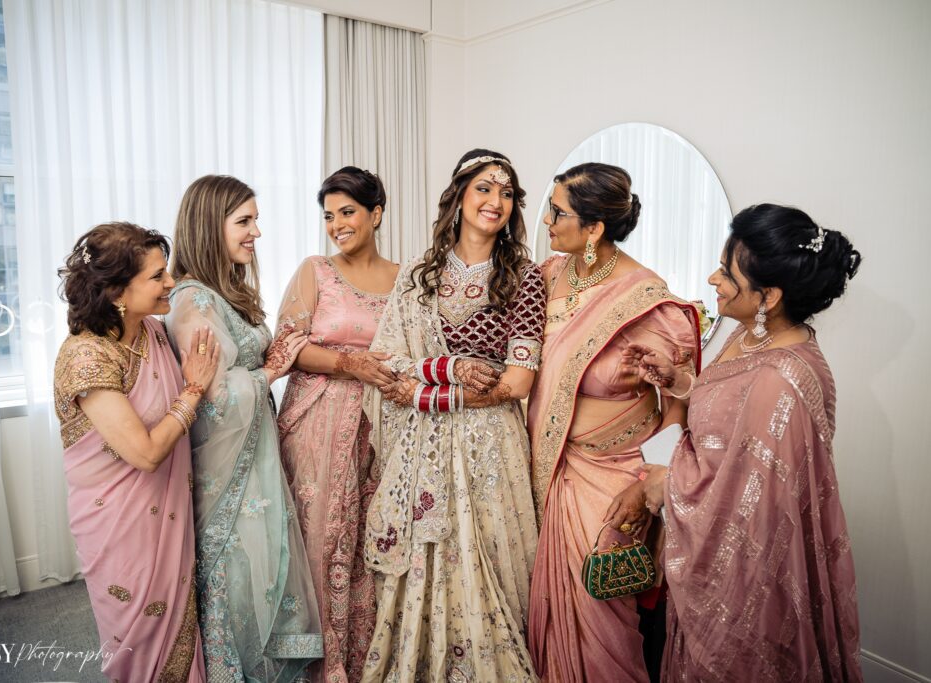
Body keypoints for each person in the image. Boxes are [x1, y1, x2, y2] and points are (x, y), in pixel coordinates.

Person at [628, 204, 863, 681]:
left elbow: (747, 508)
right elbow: (730, 424)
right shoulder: (750, 336)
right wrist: (681, 383)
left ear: (768, 296)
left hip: (746, 587)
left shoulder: (783, 382)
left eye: (727, 273)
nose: (713, 279)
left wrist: (667, 482)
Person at [360, 149, 544, 681]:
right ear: (459, 196)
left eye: (507, 193)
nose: (496, 202)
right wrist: (451, 366)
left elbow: (518, 381)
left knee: (491, 562)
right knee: (426, 552)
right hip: (424, 446)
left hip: (490, 445)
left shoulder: (524, 279)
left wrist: (424, 393)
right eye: (485, 188)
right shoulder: (419, 274)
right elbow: (386, 360)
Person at [526, 163, 701, 682]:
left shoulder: (645, 299)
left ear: (594, 228)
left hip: (614, 479)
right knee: (544, 607)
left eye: (557, 212)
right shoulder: (548, 278)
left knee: (599, 607)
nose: (547, 222)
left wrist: (652, 479)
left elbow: (677, 401)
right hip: (547, 471)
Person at [166, 175, 323, 681]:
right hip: (225, 467)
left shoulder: (223, 291)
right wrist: (272, 371)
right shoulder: (194, 301)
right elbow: (211, 395)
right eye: (244, 221)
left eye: (256, 219)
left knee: (267, 569)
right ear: (210, 226)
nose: (256, 231)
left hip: (256, 450)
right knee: (238, 578)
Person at [53, 222, 218, 681]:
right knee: (136, 638)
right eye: (157, 276)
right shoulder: (87, 358)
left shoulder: (153, 333)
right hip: (118, 524)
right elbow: (145, 454)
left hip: (167, 511)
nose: (171, 283)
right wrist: (195, 390)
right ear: (117, 291)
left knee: (182, 626)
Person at [276, 167, 399, 682]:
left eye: (347, 212)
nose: (336, 225)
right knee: (320, 542)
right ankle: (320, 667)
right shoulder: (315, 270)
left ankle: (366, 659)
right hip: (317, 422)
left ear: (375, 213)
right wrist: (348, 363)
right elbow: (285, 345)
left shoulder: (406, 278)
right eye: (328, 215)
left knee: (371, 540)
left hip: (380, 427)